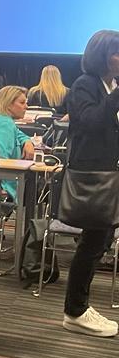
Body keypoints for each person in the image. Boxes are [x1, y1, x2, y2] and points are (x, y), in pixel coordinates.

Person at [59, 30, 119, 337]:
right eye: (117, 53)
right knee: (92, 244)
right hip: (94, 176)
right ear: (103, 56)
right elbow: (91, 123)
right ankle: (75, 310)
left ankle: (80, 305)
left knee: (100, 242)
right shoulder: (85, 85)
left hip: (111, 174)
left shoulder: (110, 86)